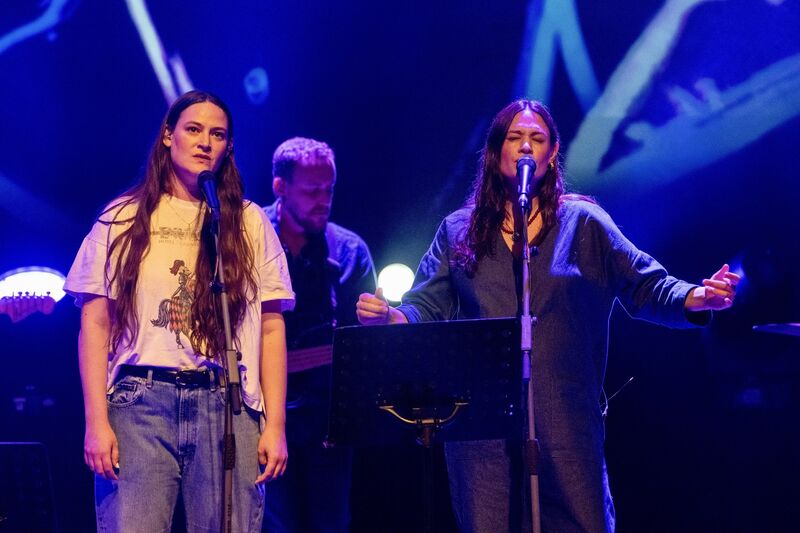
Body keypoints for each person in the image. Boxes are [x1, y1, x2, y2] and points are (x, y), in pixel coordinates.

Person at [356, 99, 739, 532]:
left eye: (536, 139)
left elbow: (646, 285)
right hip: (481, 421)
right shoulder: (458, 230)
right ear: (496, 150)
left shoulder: (585, 223)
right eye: (514, 138)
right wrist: (390, 320)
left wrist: (696, 297)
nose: (524, 147)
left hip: (566, 416)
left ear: (552, 154)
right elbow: (428, 304)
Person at [64, 90, 295, 532]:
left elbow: (271, 326)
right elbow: (94, 322)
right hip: (139, 404)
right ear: (168, 136)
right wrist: (96, 421)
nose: (206, 141)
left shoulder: (248, 222)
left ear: (228, 147)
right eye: (194, 129)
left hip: (227, 404)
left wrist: (275, 425)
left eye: (218, 134)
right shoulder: (123, 216)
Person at [262, 137, 377, 532]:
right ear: (280, 187)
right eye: (312, 190)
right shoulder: (249, 236)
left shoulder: (350, 250)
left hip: (327, 418)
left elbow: (361, 348)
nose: (323, 200)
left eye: (329, 189)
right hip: (261, 416)